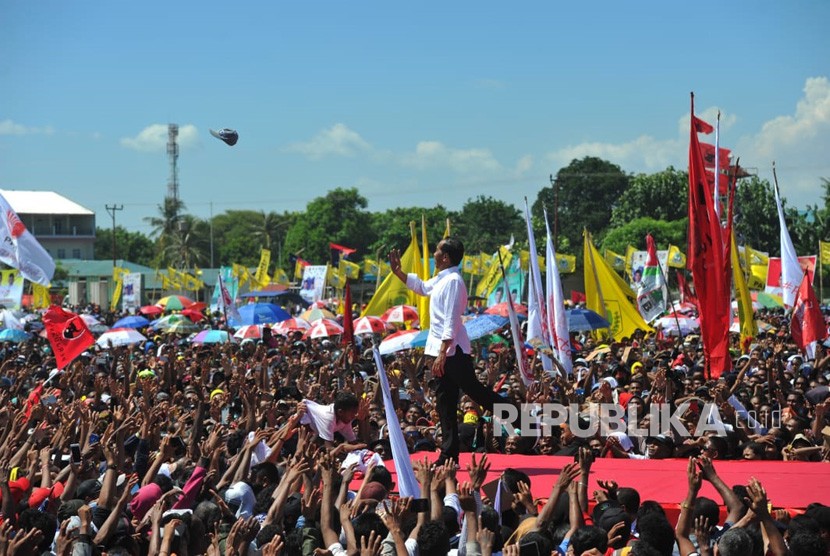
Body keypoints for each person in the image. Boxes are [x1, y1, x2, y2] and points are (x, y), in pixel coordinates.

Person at [389, 237, 505, 465]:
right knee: (445, 401)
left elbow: (452, 318)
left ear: (446, 257)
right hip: (441, 349)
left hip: (453, 351)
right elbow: (421, 287)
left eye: (436, 250)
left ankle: (521, 419)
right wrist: (398, 273)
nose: (433, 254)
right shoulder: (442, 279)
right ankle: (448, 453)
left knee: (477, 393)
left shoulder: (453, 281)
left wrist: (443, 351)